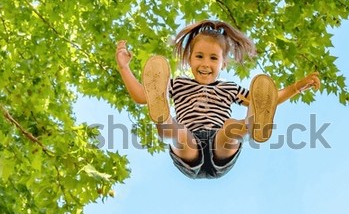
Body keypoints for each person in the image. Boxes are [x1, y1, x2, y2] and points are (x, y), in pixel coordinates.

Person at [116, 20, 320, 179]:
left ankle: (253, 125)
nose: (206, 63)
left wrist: (296, 88)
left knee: (231, 127)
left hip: (219, 145)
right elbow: (143, 96)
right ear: (189, 59)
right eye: (199, 56)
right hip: (190, 144)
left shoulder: (229, 88)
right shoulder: (177, 84)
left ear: (223, 64)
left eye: (213, 58)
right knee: (177, 130)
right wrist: (124, 68)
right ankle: (162, 118)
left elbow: (267, 101)